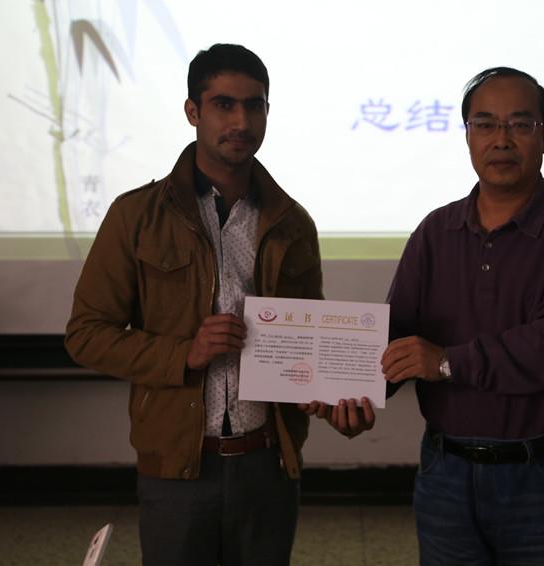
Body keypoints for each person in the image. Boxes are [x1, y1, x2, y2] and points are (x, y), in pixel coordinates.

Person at [65, 43, 369, 566]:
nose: (241, 121)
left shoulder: (293, 223)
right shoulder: (137, 216)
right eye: (224, 105)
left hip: (268, 465)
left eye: (254, 106)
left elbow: (307, 349)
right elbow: (86, 334)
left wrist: (331, 396)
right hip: (178, 468)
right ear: (193, 112)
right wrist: (184, 353)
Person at [380, 67, 544, 565]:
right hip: (445, 475)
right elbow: (396, 334)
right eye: (485, 124)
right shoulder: (435, 232)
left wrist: (446, 362)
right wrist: (352, 390)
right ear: (467, 135)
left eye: (520, 124)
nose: (502, 140)